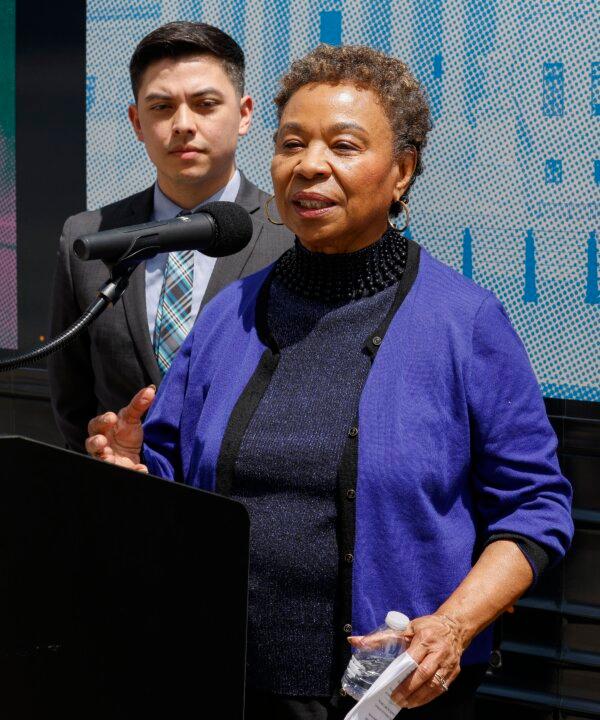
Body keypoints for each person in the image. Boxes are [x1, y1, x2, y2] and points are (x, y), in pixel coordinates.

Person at [85, 45, 573, 719]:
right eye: (291, 144)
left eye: (343, 145)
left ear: (401, 172)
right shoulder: (230, 312)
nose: (309, 164)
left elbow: (535, 510)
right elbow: (173, 479)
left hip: (391, 694)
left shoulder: (465, 322)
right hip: (217, 679)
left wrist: (454, 626)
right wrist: (131, 472)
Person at [48, 21, 292, 453]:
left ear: (245, 114)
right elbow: (73, 399)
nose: (182, 124)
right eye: (161, 107)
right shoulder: (87, 237)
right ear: (136, 122)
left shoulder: (291, 234)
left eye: (205, 104)